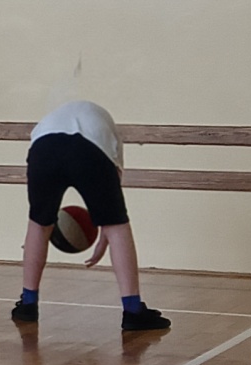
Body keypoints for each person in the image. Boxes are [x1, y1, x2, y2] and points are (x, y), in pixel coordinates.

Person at [12, 100, 172, 333]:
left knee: (38, 223)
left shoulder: (48, 123)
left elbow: (38, 220)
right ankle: (133, 311)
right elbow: (113, 207)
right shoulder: (108, 129)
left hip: (43, 149)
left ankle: (27, 305)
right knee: (117, 226)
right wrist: (106, 235)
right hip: (89, 148)